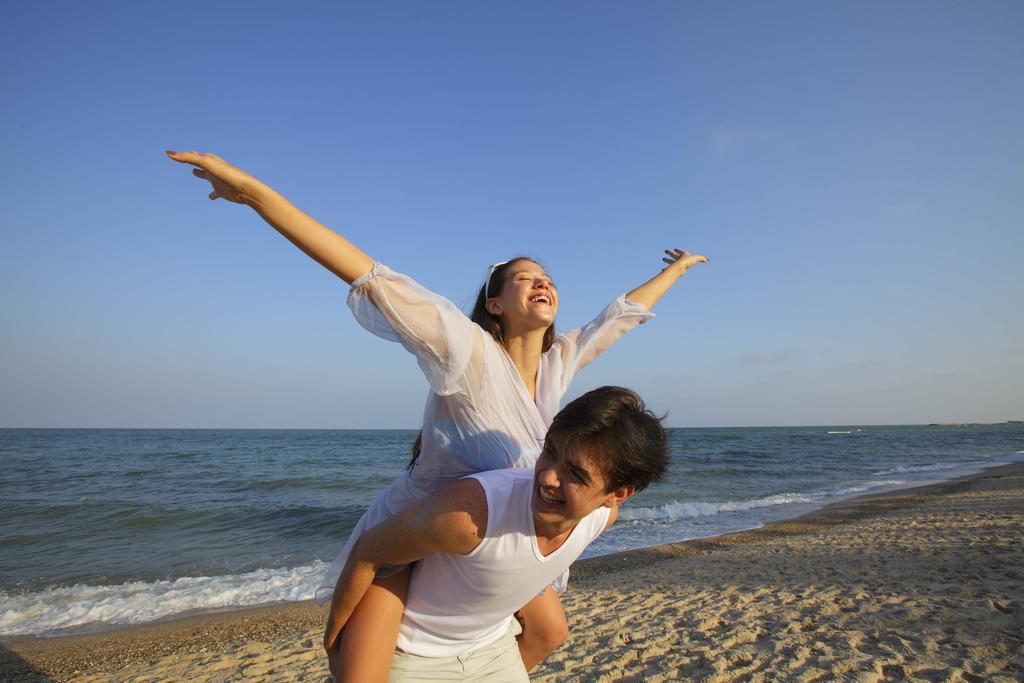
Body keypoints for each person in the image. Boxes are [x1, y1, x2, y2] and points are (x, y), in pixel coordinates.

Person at [166, 150, 707, 680]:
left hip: (499, 531)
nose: (542, 281)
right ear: (494, 304)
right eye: (524, 277)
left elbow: (619, 319)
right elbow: (370, 276)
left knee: (549, 631)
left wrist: (679, 269)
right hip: (422, 531)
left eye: (547, 277)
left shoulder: (557, 362)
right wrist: (256, 195)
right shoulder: (464, 348)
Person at [326, 385, 669, 682]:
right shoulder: (471, 514)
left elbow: (518, 566)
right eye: (549, 451)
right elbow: (370, 548)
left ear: (618, 493)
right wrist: (334, 639)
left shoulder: (600, 519)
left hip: (492, 649)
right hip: (414, 653)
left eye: (575, 474)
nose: (548, 477)